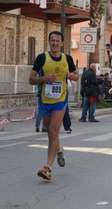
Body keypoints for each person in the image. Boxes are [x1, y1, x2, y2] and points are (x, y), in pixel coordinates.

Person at [29, 30, 79, 181]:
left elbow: (76, 75)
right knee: (52, 134)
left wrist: (72, 76)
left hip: (60, 100)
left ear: (62, 43)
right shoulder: (42, 58)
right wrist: (45, 78)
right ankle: (59, 149)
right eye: (52, 40)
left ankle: (48, 168)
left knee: (52, 131)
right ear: (49, 42)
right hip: (45, 100)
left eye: (58, 41)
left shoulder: (67, 59)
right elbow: (31, 79)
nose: (55, 43)